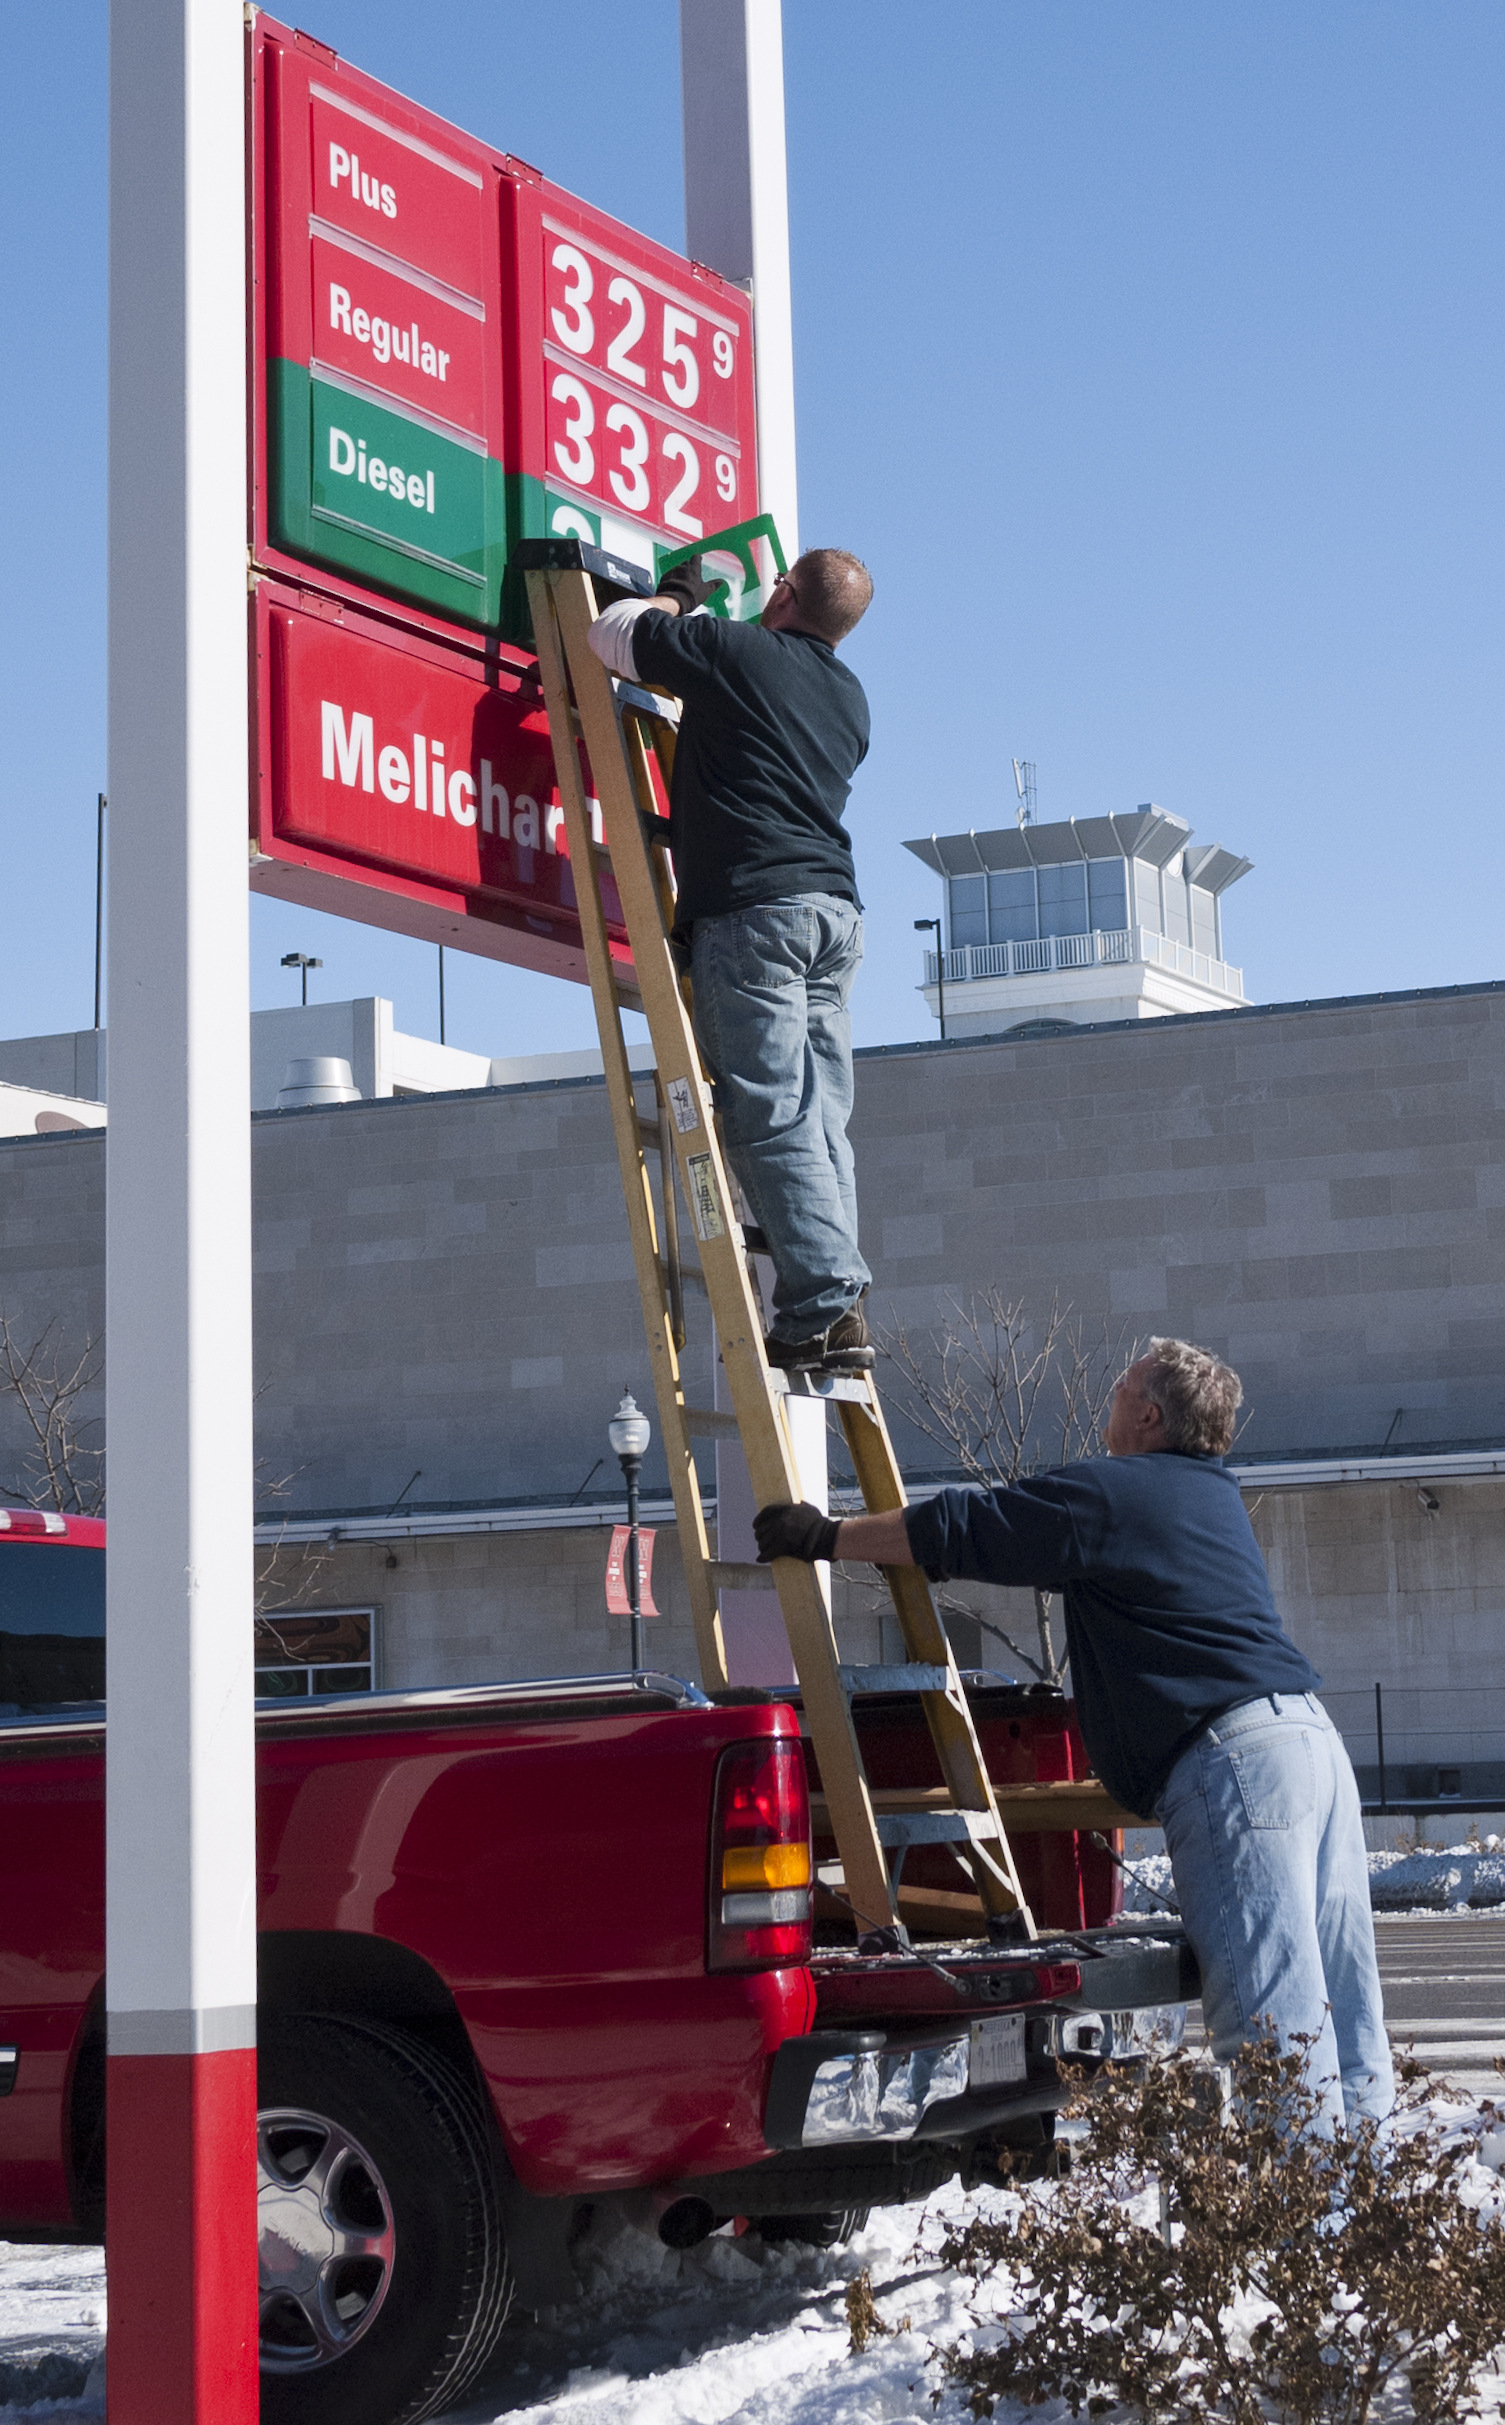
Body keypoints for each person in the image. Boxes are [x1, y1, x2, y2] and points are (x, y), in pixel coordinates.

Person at [754, 1334, 1395, 2124]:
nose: (1108, 1394)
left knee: (1276, 2033)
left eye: (1121, 1383)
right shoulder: (1210, 1496)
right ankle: (1369, 2219)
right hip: (1311, 1747)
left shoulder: (1120, 1494)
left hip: (1236, 1763)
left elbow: (973, 1527)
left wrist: (825, 1537)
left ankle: (1308, 2236)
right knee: (1347, 2016)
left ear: (1149, 1413)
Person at [587, 546, 876, 1372]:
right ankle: (838, 1301)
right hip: (833, 916)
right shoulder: (850, 697)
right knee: (822, 1122)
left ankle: (821, 1298)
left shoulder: (738, 651)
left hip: (754, 915)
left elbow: (609, 633)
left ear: (782, 595)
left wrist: (679, 593)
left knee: (770, 1111)